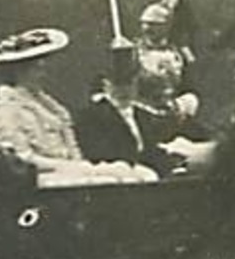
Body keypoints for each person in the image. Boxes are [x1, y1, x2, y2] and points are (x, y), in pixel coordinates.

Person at [0, 28, 154, 183]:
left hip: (64, 173)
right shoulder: (5, 112)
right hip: (39, 182)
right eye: (36, 69)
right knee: (109, 180)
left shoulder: (47, 105)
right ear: (18, 72)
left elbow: (71, 150)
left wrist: (84, 167)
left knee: (136, 173)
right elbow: (24, 161)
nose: (43, 73)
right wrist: (82, 170)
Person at [74, 39, 177, 176]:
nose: (124, 90)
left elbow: (152, 150)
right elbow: (99, 154)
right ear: (106, 84)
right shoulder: (92, 116)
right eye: (117, 84)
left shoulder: (142, 115)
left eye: (129, 83)